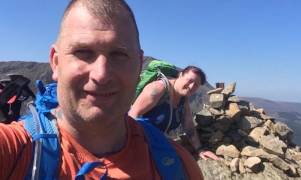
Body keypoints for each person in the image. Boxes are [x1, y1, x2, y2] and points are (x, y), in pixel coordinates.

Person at [0, 0, 203, 179]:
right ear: (56, 62)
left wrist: (199, 150)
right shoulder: (17, 152)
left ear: (138, 64)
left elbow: (188, 125)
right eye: (83, 52)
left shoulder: (181, 166)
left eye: (119, 55)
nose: (101, 74)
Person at [129, 66, 220, 161]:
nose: (191, 86)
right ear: (180, 75)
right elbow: (132, 116)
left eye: (196, 85)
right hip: (136, 145)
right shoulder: (158, 89)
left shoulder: (183, 99)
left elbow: (189, 127)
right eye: (190, 80)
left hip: (156, 145)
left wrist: (200, 150)